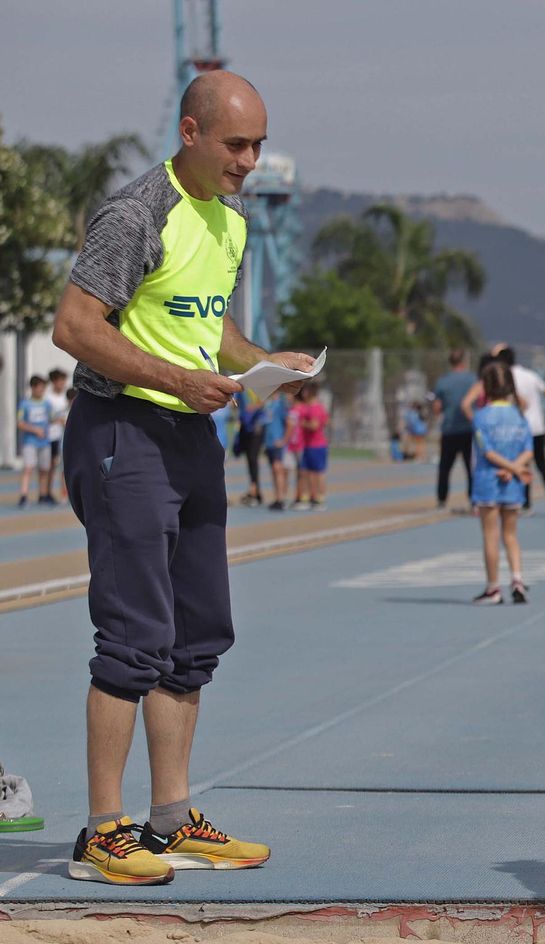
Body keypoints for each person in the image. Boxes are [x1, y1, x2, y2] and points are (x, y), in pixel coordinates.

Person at [49, 70, 309, 885]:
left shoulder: (227, 217)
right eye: (236, 144)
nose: (250, 160)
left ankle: (170, 818)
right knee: (132, 636)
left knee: (195, 636)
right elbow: (74, 325)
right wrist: (171, 380)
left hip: (192, 434)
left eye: (259, 144)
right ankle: (102, 830)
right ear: (190, 133)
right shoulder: (136, 213)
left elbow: (213, 327)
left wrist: (267, 362)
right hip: (123, 431)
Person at [469, 360, 534, 603]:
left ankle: (493, 587)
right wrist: (516, 468)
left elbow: (487, 452)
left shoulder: (481, 417)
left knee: (490, 535)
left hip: (488, 480)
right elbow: (529, 449)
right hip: (513, 482)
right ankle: (517, 579)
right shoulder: (519, 416)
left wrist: (507, 467)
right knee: (511, 534)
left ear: (485, 387)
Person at [499, 346, 545, 515]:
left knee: (522, 465)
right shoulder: (530, 374)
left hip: (520, 428)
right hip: (538, 427)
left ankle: (526, 503)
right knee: (542, 465)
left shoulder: (506, 377)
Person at [432, 348, 476, 510]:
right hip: (469, 429)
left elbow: (437, 406)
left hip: (449, 429)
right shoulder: (473, 379)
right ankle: (474, 499)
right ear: (464, 361)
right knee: (471, 466)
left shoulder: (443, 381)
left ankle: (441, 499)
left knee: (445, 467)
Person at [16, 375, 52, 509]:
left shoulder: (47, 404)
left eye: (44, 387)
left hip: (45, 442)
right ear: (33, 387)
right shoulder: (25, 404)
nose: (42, 390)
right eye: (40, 387)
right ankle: (23, 496)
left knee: (44, 469)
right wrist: (34, 430)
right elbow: (19, 423)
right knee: (28, 468)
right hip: (30, 442)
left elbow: (52, 418)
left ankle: (42, 495)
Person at [291, 382, 329, 510]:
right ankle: (309, 497)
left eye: (305, 391)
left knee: (317, 473)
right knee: (308, 472)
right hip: (310, 445)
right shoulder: (314, 407)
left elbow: (314, 425)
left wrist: (302, 424)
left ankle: (319, 499)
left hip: (316, 445)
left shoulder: (314, 408)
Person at [41, 368, 70, 504]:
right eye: (61, 380)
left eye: (64, 380)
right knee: (50, 465)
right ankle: (47, 492)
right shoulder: (48, 398)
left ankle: (63, 492)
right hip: (51, 436)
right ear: (54, 381)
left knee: (62, 465)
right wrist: (57, 421)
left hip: (63, 436)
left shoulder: (66, 396)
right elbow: (45, 417)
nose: (63, 383)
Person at [234, 389, 266, 505]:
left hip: (257, 426)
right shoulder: (241, 387)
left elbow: (264, 400)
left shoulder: (257, 384)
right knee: (249, 458)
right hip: (245, 425)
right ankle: (254, 489)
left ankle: (255, 491)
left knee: (253, 457)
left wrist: (254, 407)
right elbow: (234, 402)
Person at [263, 389, 290, 510]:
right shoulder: (268, 404)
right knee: (274, 471)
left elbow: (289, 423)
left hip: (277, 442)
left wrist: (284, 439)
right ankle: (277, 497)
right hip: (269, 442)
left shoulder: (281, 404)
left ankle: (281, 498)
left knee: (278, 469)